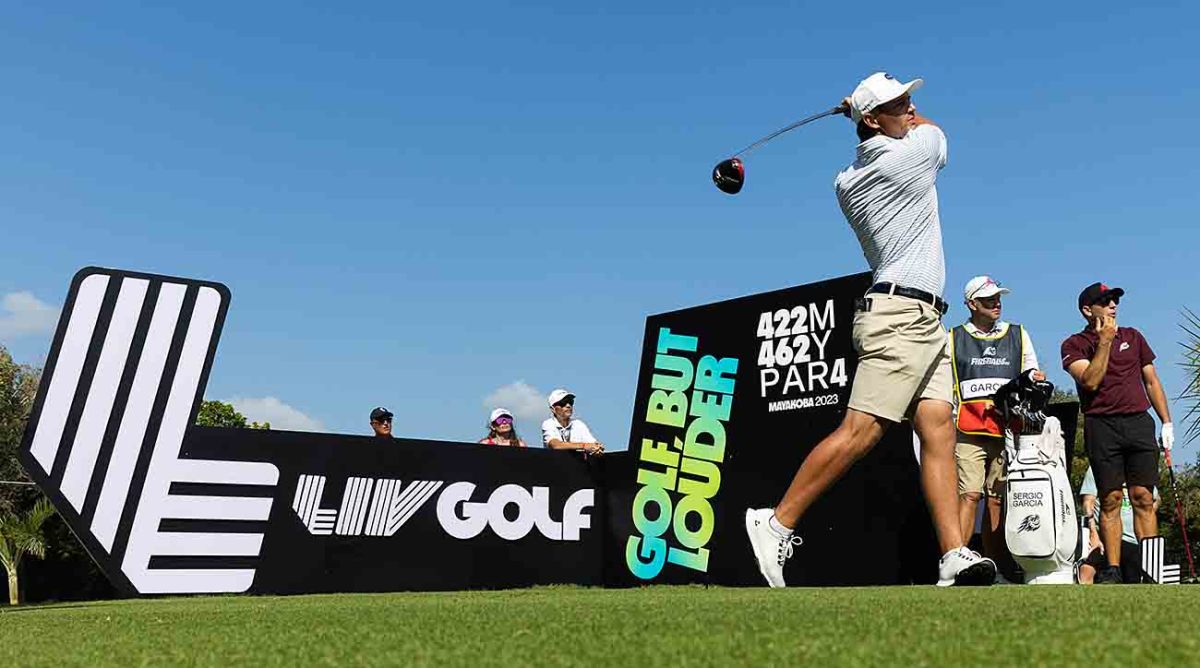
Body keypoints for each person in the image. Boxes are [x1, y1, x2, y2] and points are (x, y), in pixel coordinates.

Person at [744, 72, 996, 587]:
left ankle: (952, 553)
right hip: (899, 318)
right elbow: (935, 131)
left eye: (908, 99)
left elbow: (892, 127)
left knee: (938, 429)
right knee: (863, 430)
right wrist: (865, 114)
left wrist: (863, 116)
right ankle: (775, 522)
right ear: (874, 120)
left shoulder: (846, 181)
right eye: (897, 103)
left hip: (924, 318)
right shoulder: (911, 156)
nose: (910, 107)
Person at [1061, 282, 1174, 585]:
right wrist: (1105, 342)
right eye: (1105, 301)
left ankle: (1152, 571)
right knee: (1110, 499)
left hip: (1138, 423)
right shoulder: (1074, 344)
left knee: (1143, 497)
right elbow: (1091, 381)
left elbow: (1151, 381)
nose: (1113, 305)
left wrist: (1166, 422)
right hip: (1101, 425)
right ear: (1088, 310)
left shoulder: (1135, 337)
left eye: (1114, 300)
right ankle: (1112, 569)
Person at [949, 275, 1043, 580]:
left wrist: (1035, 380)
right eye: (989, 299)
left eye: (998, 298)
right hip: (968, 428)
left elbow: (1032, 372)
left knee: (997, 499)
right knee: (970, 495)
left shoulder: (1018, 333)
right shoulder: (952, 337)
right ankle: (958, 563)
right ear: (971, 304)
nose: (996, 303)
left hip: (1006, 429)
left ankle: (996, 567)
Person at [1077, 465, 1159, 584]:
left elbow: (1156, 499)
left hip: (1134, 542)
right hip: (1105, 539)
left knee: (1132, 583)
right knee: (1086, 570)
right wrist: (1093, 534)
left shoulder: (1138, 465)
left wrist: (1142, 516)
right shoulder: (1099, 465)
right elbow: (1088, 502)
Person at [541, 388, 604, 455]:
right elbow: (555, 445)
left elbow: (592, 444)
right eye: (563, 403)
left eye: (570, 402)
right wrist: (584, 446)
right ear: (553, 409)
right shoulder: (548, 424)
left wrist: (597, 448)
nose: (568, 406)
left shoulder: (578, 424)